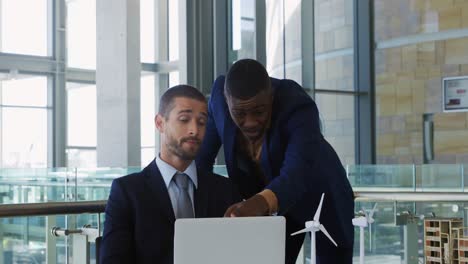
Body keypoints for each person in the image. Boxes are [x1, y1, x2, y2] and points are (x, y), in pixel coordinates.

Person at [196, 59, 355, 263]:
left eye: (259, 112)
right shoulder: (218, 98)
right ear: (227, 102)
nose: (250, 122)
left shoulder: (297, 105)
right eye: (240, 114)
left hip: (321, 198)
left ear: (271, 97)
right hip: (269, 207)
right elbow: (201, 162)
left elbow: (296, 174)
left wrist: (257, 204)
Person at [100, 85, 240, 264]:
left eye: (202, 122)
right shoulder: (127, 192)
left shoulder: (224, 190)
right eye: (184, 119)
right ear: (160, 123)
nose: (194, 130)